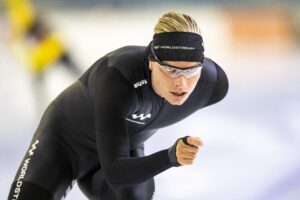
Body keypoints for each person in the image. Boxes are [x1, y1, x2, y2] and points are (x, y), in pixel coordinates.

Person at [8, 11, 228, 200]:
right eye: (170, 70)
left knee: (134, 193)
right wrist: (171, 157)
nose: (181, 82)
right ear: (152, 62)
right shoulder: (118, 77)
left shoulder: (213, 86)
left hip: (120, 150)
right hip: (63, 144)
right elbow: (114, 173)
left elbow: (119, 177)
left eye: (190, 71)